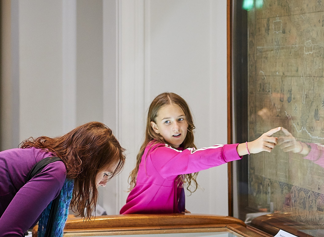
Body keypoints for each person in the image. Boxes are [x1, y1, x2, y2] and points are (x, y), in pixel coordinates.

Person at [0, 121, 125, 237]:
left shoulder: (49, 157)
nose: (104, 183)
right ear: (91, 165)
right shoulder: (56, 172)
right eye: (106, 173)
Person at [120, 92, 281, 214]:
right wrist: (248, 147)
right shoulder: (158, 154)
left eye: (180, 119)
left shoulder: (171, 152)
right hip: (141, 234)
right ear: (155, 127)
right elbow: (196, 159)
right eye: (167, 122)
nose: (176, 127)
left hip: (155, 234)